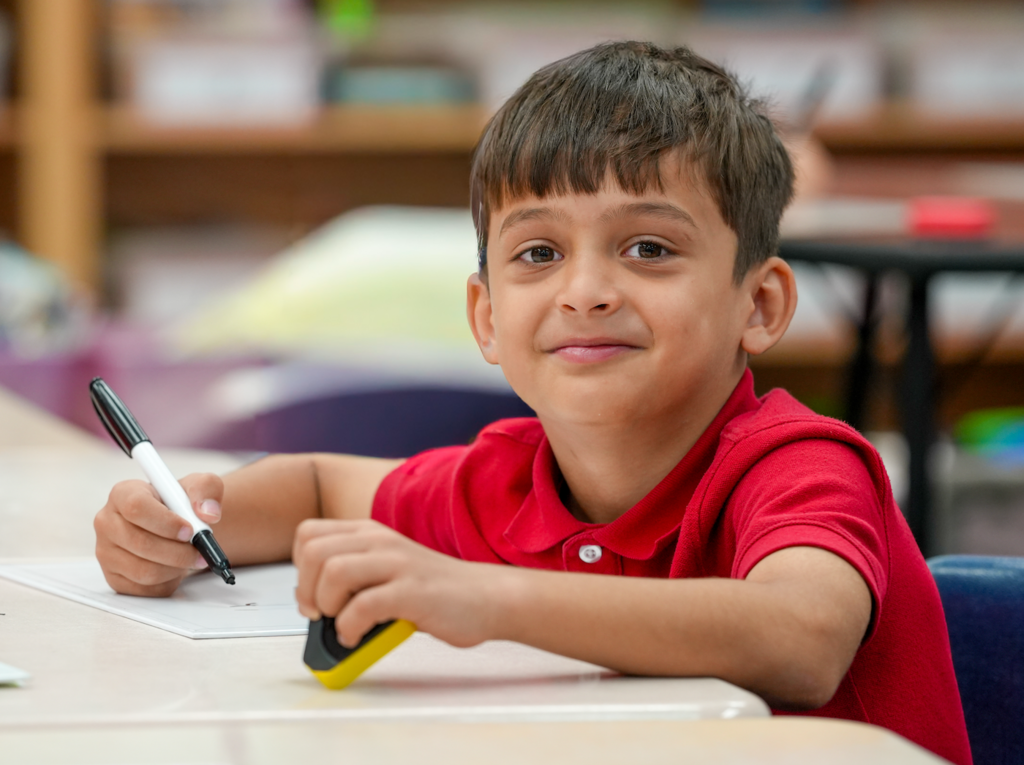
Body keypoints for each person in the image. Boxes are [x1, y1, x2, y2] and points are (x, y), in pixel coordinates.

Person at [93, 42, 971, 765]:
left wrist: (486, 597)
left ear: (762, 305)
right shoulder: (508, 479)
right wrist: (184, 520)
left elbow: (798, 636)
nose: (585, 290)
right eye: (540, 254)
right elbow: (321, 488)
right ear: (485, 316)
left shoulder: (796, 464)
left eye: (649, 246)